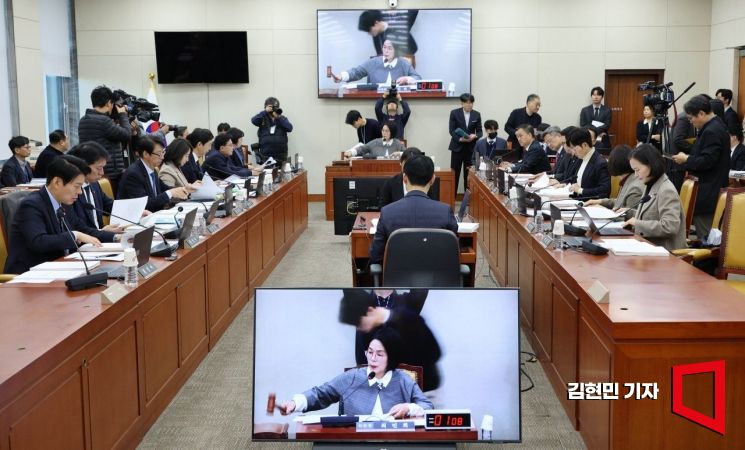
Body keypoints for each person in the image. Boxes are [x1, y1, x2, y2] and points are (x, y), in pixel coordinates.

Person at [278, 327, 433, 418]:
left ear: (392, 357)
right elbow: (321, 393)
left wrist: (409, 407)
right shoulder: (352, 377)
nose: (372, 359)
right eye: (370, 352)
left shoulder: (404, 380)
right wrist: (294, 403)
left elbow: (427, 406)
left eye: (379, 354)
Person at [4, 156, 116, 274]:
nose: (80, 192)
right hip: (29, 275)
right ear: (57, 182)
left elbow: (83, 230)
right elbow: (38, 242)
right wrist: (74, 235)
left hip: (59, 268)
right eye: (77, 186)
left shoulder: (64, 203)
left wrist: (115, 237)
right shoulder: (31, 205)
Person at [338, 289, 442, 392]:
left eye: (362, 324)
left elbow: (433, 353)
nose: (361, 328)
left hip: (417, 388)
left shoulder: (407, 304)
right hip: (380, 391)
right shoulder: (360, 304)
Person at [370, 155, 458, 264]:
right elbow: (454, 252)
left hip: (397, 274)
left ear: (405, 178)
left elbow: (375, 256)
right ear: (433, 179)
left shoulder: (387, 212)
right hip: (436, 274)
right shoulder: (445, 211)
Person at [671, 94, 730, 239]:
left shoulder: (711, 130)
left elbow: (707, 161)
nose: (691, 121)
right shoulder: (715, 125)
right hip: (711, 189)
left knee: (707, 238)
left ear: (701, 113)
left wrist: (686, 159)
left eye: (692, 118)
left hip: (708, 191)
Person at [623, 144, 686, 252]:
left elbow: (670, 226)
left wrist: (637, 223)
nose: (636, 175)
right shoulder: (651, 184)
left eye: (637, 170)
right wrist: (628, 213)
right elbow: (652, 214)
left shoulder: (666, 190)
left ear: (651, 165)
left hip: (665, 252)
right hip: (649, 247)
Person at [117, 137, 191, 212]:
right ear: (145, 154)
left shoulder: (152, 169)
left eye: (163, 152)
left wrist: (184, 189)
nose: (162, 157)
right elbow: (145, 204)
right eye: (159, 154)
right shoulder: (133, 174)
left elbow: (164, 188)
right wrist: (170, 193)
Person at [67, 142, 125, 233]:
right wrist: (101, 232)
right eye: (98, 168)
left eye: (103, 168)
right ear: (83, 166)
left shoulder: (94, 184)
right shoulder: (70, 192)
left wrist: (137, 211)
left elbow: (109, 205)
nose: (102, 173)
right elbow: (75, 229)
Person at [77, 86, 131, 179]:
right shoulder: (104, 121)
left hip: (93, 171)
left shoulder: (83, 120)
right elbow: (126, 134)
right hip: (110, 174)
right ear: (109, 103)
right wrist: (122, 114)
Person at [332, 39, 421, 86]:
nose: (386, 51)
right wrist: (341, 77)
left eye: (390, 48)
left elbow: (418, 78)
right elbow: (357, 72)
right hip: (375, 100)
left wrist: (407, 79)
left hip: (399, 99)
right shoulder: (373, 62)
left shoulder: (404, 63)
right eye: (384, 47)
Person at [584, 145, 644, 213]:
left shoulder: (634, 188)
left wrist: (603, 210)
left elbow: (628, 215)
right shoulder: (629, 179)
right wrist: (600, 201)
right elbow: (620, 201)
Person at [447, 93, 482, 191]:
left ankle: (468, 199)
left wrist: (475, 136)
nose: (469, 105)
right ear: (462, 103)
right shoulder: (454, 113)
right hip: (457, 147)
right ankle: (452, 198)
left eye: (471, 103)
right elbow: (451, 130)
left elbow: (480, 132)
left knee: (469, 175)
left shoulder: (477, 114)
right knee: (455, 174)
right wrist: (460, 139)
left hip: (470, 149)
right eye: (467, 103)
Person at [565, 127, 611, 198]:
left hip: (589, 202)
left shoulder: (600, 163)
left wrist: (581, 190)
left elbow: (604, 190)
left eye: (574, 148)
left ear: (585, 145)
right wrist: (564, 184)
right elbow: (576, 178)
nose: (573, 152)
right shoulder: (581, 158)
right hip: (577, 199)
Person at [251, 96, 293, 164]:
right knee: (266, 171)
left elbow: (289, 128)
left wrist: (279, 118)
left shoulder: (282, 118)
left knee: (281, 171)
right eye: (271, 107)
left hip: (281, 155)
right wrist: (265, 112)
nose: (273, 109)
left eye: (275, 107)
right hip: (265, 154)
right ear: (266, 107)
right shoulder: (262, 118)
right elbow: (254, 121)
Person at [504, 94, 542, 159]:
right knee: (511, 161)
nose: (538, 107)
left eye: (539, 105)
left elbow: (536, 133)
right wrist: (516, 133)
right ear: (529, 103)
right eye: (537, 104)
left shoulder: (538, 118)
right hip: (514, 143)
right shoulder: (516, 113)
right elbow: (507, 127)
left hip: (529, 147)